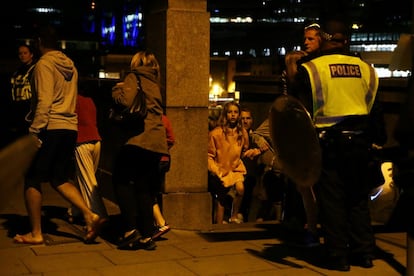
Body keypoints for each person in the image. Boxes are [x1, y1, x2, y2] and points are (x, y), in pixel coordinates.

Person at [289, 19, 386, 271]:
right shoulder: (366, 68)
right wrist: (379, 140)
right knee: (357, 201)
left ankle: (338, 256)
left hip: (329, 144)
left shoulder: (312, 68)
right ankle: (364, 253)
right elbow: (375, 108)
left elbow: (296, 107)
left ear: (323, 39)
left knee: (332, 202)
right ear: (347, 40)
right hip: (361, 144)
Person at [13, 25, 105, 245]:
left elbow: (44, 101)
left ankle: (36, 233)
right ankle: (90, 214)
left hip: (50, 127)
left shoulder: (43, 65)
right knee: (59, 178)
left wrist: (35, 132)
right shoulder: (70, 65)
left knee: (32, 179)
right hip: (69, 128)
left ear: (39, 42)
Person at [112, 51, 168, 250]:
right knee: (144, 188)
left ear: (136, 62)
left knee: (120, 180)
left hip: (138, 139)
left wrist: (116, 91)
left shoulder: (133, 76)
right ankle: (146, 235)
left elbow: (126, 102)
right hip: (156, 142)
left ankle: (130, 230)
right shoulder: (155, 82)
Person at [208, 101, 258, 224]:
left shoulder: (242, 133)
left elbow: (244, 149)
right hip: (221, 168)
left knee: (240, 188)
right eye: (230, 112)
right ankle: (218, 225)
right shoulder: (216, 133)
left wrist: (254, 151)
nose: (233, 115)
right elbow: (209, 155)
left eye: (235, 112)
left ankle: (234, 216)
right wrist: (216, 170)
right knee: (221, 198)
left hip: (235, 167)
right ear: (225, 114)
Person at [67, 79, 108, 223]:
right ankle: (75, 210)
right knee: (83, 177)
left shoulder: (72, 101)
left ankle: (98, 214)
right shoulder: (90, 101)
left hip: (82, 141)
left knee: (87, 180)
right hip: (96, 140)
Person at [6, 44, 37, 144]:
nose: (22, 56)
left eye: (25, 53)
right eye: (20, 53)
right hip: (17, 110)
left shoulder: (35, 69)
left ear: (31, 54)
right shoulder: (16, 72)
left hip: (30, 110)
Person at [151, 114, 174, 239]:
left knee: (147, 190)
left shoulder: (149, 119)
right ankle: (157, 222)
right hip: (165, 159)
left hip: (153, 159)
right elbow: (171, 139)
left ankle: (160, 222)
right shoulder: (164, 118)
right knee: (155, 189)